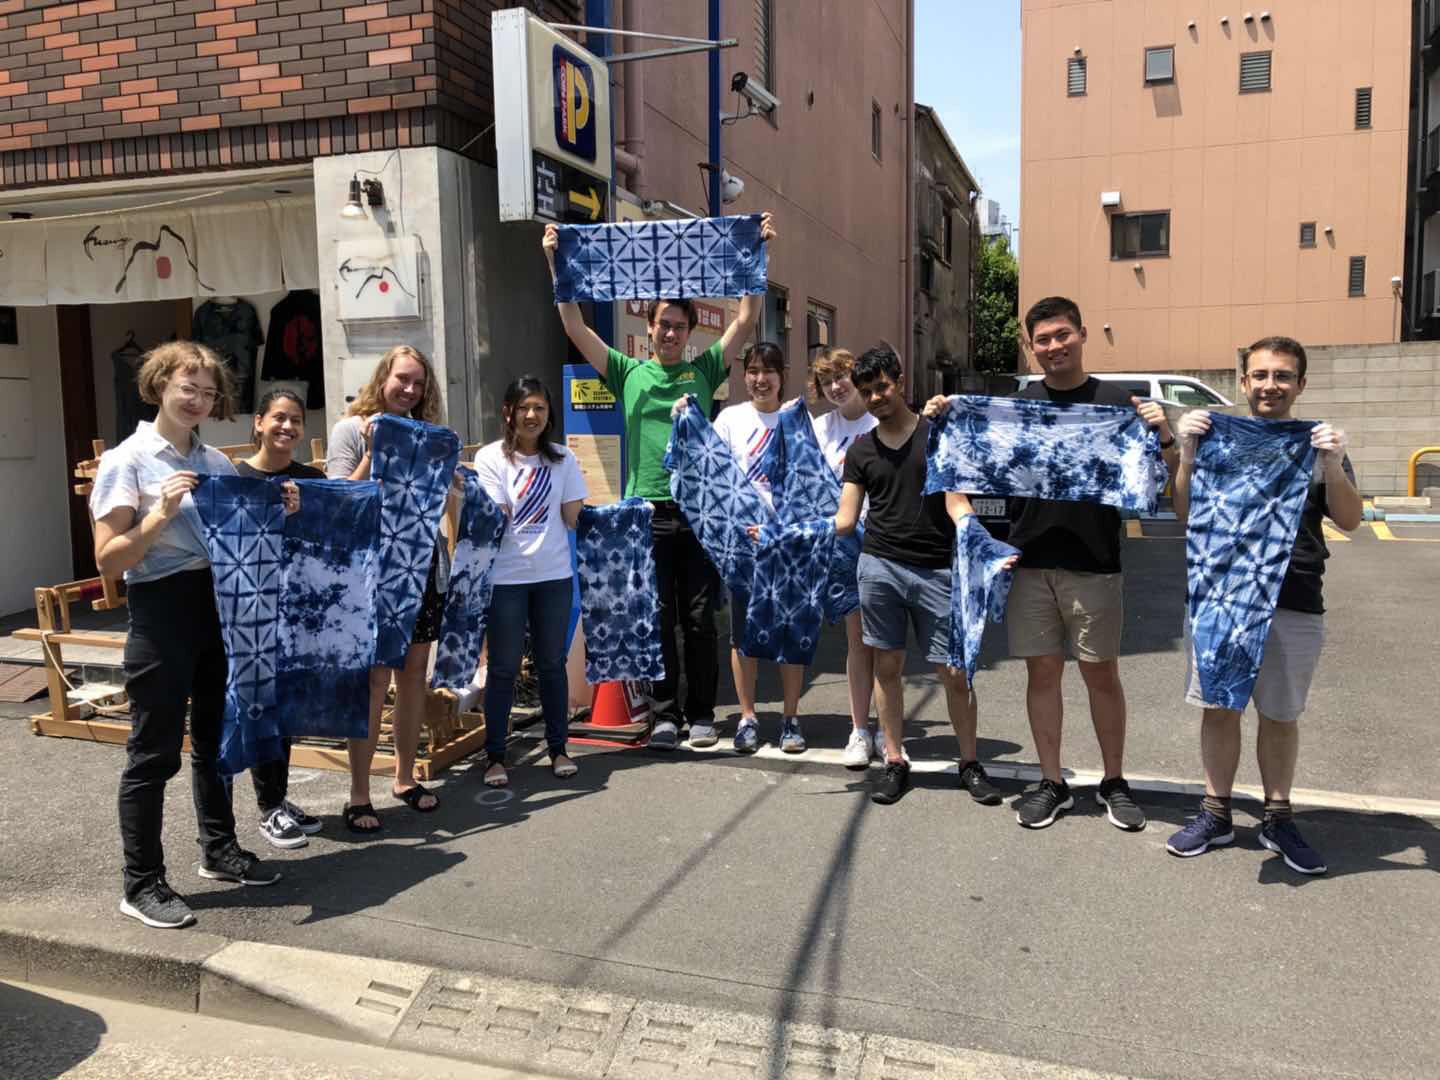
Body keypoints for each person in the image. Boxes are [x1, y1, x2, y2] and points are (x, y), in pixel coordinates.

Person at [927, 296, 1177, 831]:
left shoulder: (1115, 405)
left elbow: (1157, 483)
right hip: (1029, 560)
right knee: (1042, 674)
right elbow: (967, 457)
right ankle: (1051, 781)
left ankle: (1114, 781)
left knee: (1101, 675)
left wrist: (1163, 433)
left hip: (1095, 562)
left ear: (1082, 334)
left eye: (1062, 335)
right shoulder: (1019, 406)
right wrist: (945, 417)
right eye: (1042, 339)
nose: (1053, 346)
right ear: (1031, 347)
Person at [541, 213, 776, 751]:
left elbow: (746, 317)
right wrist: (556, 263)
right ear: (648, 328)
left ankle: (701, 715)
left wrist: (759, 254)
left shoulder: (706, 370)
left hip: (697, 511)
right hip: (645, 512)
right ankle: (666, 714)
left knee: (699, 618)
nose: (669, 333)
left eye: (678, 326)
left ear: (689, 333)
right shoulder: (627, 372)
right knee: (659, 616)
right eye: (661, 324)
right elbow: (575, 327)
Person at [92, 341, 290, 929]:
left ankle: (218, 850)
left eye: (208, 392)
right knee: (152, 753)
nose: (199, 400)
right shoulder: (126, 461)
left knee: (214, 738)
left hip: (219, 606)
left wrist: (285, 508)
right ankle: (142, 882)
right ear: (158, 386)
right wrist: (160, 514)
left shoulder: (218, 464)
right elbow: (108, 559)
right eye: (188, 388)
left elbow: (252, 535)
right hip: (160, 608)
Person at [1166, 336, 1359, 874]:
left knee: (1279, 713)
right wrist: (1185, 454)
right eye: (1261, 375)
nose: (1271, 385)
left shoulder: (1316, 444)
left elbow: (1349, 520)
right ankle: (1216, 812)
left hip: (1294, 596)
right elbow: (1184, 512)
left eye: (1283, 375)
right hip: (1221, 594)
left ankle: (1277, 817)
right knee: (1219, 707)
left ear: (1301, 384)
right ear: (1243, 382)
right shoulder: (1211, 439)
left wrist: (1336, 464)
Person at [836, 345, 1011, 806]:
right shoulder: (860, 451)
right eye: (867, 391)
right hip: (879, 568)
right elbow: (845, 520)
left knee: (954, 673)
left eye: (883, 386)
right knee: (887, 667)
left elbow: (957, 502)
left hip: (937, 570)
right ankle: (894, 759)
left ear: (899, 381)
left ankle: (970, 762)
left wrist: (980, 540)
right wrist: (784, 532)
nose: (876, 397)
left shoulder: (938, 437)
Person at [327, 345, 449, 832]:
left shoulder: (427, 437)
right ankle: (359, 792)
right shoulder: (350, 430)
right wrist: (377, 454)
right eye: (402, 379)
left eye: (418, 383)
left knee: (414, 674)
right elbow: (338, 504)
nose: (410, 390)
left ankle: (403, 776)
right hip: (371, 573)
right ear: (383, 378)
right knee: (374, 680)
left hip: (420, 567)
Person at [472, 376, 589, 786]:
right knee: (503, 668)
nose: (532, 415)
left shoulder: (563, 459)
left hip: (554, 576)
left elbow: (574, 517)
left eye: (539, 407)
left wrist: (616, 519)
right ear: (509, 412)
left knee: (551, 664)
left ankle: (558, 749)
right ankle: (495, 757)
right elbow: (497, 515)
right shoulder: (490, 459)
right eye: (524, 407)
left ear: (548, 413)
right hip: (506, 579)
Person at [233, 389, 325, 849]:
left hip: (298, 612)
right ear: (258, 422)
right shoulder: (236, 478)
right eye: (278, 418)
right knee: (259, 708)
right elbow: (231, 544)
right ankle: (268, 807)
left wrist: (298, 517)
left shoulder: (310, 478)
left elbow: (324, 542)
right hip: (250, 613)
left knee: (286, 710)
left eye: (295, 421)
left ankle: (278, 798)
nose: (287, 427)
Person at [710, 343, 806, 753]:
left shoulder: (797, 421)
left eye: (768, 370)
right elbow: (709, 469)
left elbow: (811, 481)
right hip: (742, 545)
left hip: (787, 544)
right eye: (751, 370)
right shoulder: (730, 418)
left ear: (782, 374)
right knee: (743, 634)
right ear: (742, 375)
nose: (759, 379)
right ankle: (748, 717)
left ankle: (790, 717)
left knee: (790, 632)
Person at [809, 347, 881, 769]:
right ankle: (856, 727)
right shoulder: (819, 427)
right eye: (826, 380)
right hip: (832, 541)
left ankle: (875, 728)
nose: (835, 387)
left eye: (841, 377)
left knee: (874, 641)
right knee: (848, 638)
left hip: (877, 540)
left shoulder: (878, 422)